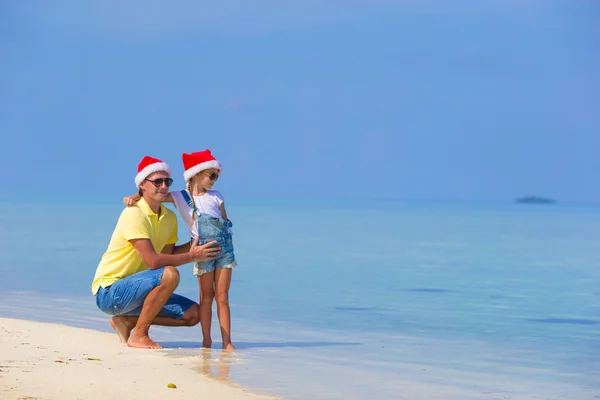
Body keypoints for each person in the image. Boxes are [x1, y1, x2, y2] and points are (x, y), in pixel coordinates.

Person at [92, 155, 221, 349]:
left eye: (167, 181)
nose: (163, 186)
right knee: (170, 274)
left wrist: (196, 245)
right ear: (142, 184)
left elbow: (167, 255)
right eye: (157, 181)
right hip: (110, 292)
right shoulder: (133, 213)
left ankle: (127, 322)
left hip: (141, 291)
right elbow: (154, 262)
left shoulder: (169, 217)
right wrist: (193, 257)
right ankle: (139, 335)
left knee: (194, 314)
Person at [124, 149, 237, 350]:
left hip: (224, 249)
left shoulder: (217, 196)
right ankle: (207, 341)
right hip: (202, 250)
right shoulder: (180, 197)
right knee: (206, 296)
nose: (214, 180)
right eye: (211, 175)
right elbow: (151, 195)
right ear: (196, 174)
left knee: (223, 296)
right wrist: (134, 196)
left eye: (216, 175)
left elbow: (225, 221)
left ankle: (227, 342)